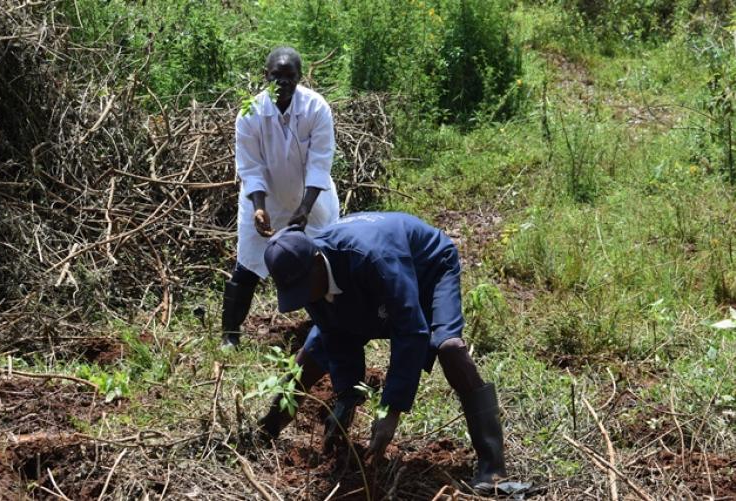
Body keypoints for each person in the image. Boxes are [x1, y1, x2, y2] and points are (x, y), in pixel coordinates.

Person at [257, 212, 530, 495]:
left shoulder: (372, 258)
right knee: (315, 347)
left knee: (449, 348)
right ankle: (268, 428)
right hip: (367, 282)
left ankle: (493, 467)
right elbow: (334, 336)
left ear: (316, 261)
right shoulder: (309, 278)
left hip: (428, 270)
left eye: (304, 288)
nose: (304, 297)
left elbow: (410, 330)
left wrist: (391, 410)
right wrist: (347, 398)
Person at [222, 47, 340, 347]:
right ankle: (230, 336)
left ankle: (331, 330)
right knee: (248, 263)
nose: (283, 83)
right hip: (265, 201)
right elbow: (250, 167)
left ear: (300, 78)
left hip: (311, 203)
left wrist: (304, 208)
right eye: (277, 76)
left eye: (290, 77)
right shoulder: (249, 114)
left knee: (323, 263)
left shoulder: (316, 108)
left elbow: (320, 163)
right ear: (266, 76)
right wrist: (259, 209)